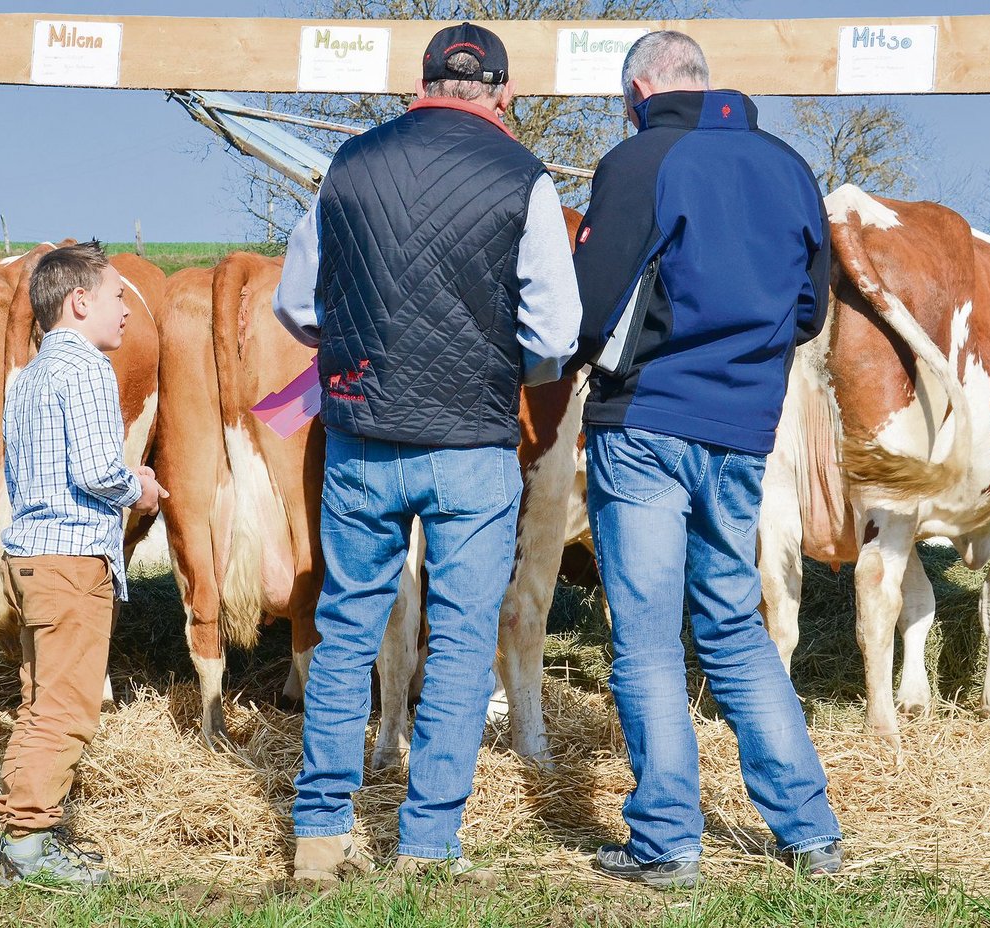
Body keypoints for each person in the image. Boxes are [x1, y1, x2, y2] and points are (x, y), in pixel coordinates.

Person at [272, 22, 582, 884]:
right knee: (460, 638)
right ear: (503, 95)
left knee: (343, 631)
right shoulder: (526, 179)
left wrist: (359, 348)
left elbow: (296, 306)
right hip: (472, 445)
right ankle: (427, 845)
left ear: (420, 85)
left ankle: (319, 838)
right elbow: (555, 330)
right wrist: (496, 361)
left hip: (361, 433)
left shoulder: (349, 166)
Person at [570, 32, 842, 889]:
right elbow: (808, 307)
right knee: (734, 628)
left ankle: (666, 843)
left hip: (647, 421)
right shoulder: (789, 166)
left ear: (643, 88)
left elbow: (588, 305)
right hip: (740, 431)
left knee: (647, 639)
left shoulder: (640, 161)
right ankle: (810, 832)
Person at [0, 240, 166, 888]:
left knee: (40, 704)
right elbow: (96, 471)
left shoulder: (29, 375)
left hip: (27, 558)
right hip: (71, 563)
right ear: (80, 300)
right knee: (67, 710)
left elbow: (26, 469)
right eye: (119, 298)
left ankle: (24, 836)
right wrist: (139, 487)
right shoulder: (87, 368)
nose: (127, 311)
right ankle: (28, 845)